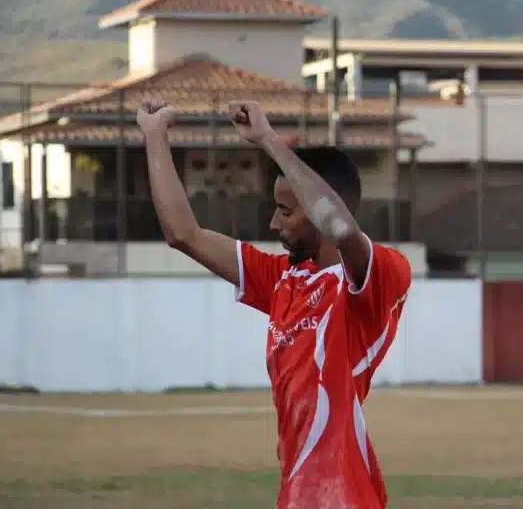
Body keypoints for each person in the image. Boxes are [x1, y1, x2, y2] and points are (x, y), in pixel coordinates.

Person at [136, 98, 412, 509]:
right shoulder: (283, 279)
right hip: (297, 494)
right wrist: (154, 136)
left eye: (285, 211)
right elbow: (184, 234)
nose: (273, 223)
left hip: (345, 497)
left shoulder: (377, 280)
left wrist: (268, 139)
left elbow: (338, 225)